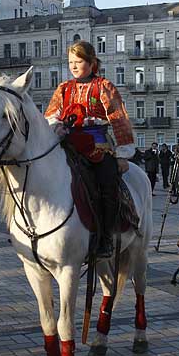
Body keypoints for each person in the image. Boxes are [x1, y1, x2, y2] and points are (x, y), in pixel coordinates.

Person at [45, 40, 134, 258]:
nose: (74, 66)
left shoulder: (103, 86)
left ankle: (105, 238)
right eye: (70, 62)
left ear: (92, 62)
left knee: (107, 184)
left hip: (97, 145)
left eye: (79, 61)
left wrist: (123, 154)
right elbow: (51, 115)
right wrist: (55, 127)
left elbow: (119, 118)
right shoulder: (63, 89)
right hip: (68, 143)